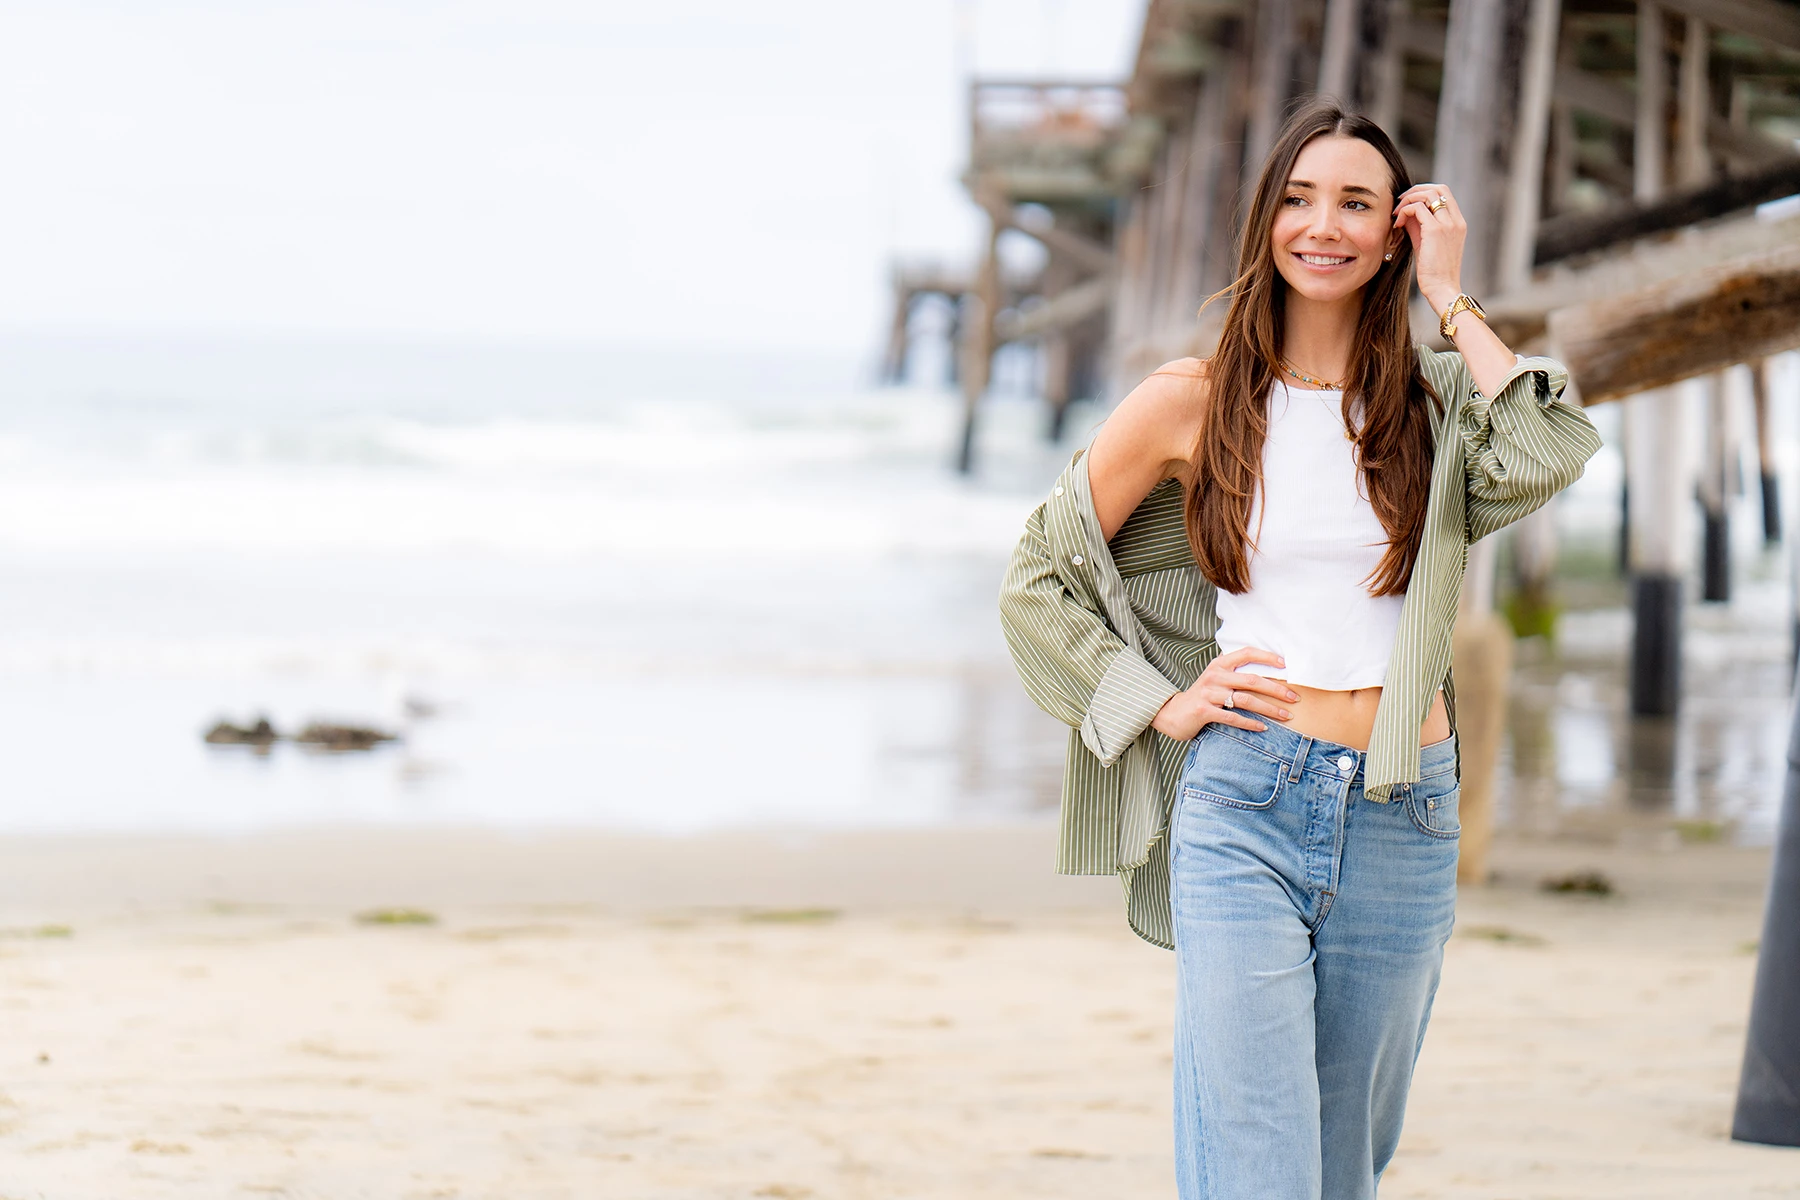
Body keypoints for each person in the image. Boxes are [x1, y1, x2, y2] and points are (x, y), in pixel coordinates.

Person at [997, 100, 1602, 1199]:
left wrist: (1451, 295)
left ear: (1394, 232)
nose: (1322, 225)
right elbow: (1040, 575)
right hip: (1244, 802)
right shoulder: (1192, 398)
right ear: (1266, 219)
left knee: (1340, 1170)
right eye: (1298, 197)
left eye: (1357, 203)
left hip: (1405, 811)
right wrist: (1158, 700)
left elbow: (1549, 447)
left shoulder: (1434, 405)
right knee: (1259, 1165)